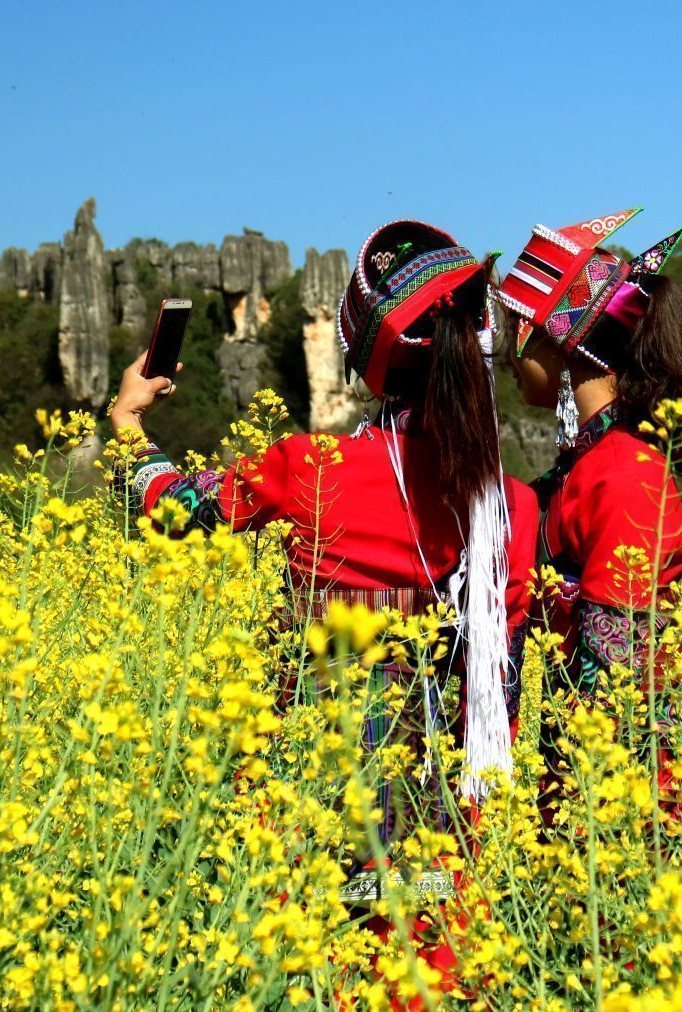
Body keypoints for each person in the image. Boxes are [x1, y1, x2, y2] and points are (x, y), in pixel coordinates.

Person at [109, 219, 538, 907]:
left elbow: (173, 508)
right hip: (442, 841)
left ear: (368, 354)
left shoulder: (312, 469)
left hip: (305, 829)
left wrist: (129, 423)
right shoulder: (511, 505)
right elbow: (498, 691)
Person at [494, 208, 682, 820]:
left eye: (517, 335)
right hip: (582, 779)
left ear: (561, 341)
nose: (507, 359)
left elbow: (617, 668)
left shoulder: (622, 472)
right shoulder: (582, 465)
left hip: (623, 801)